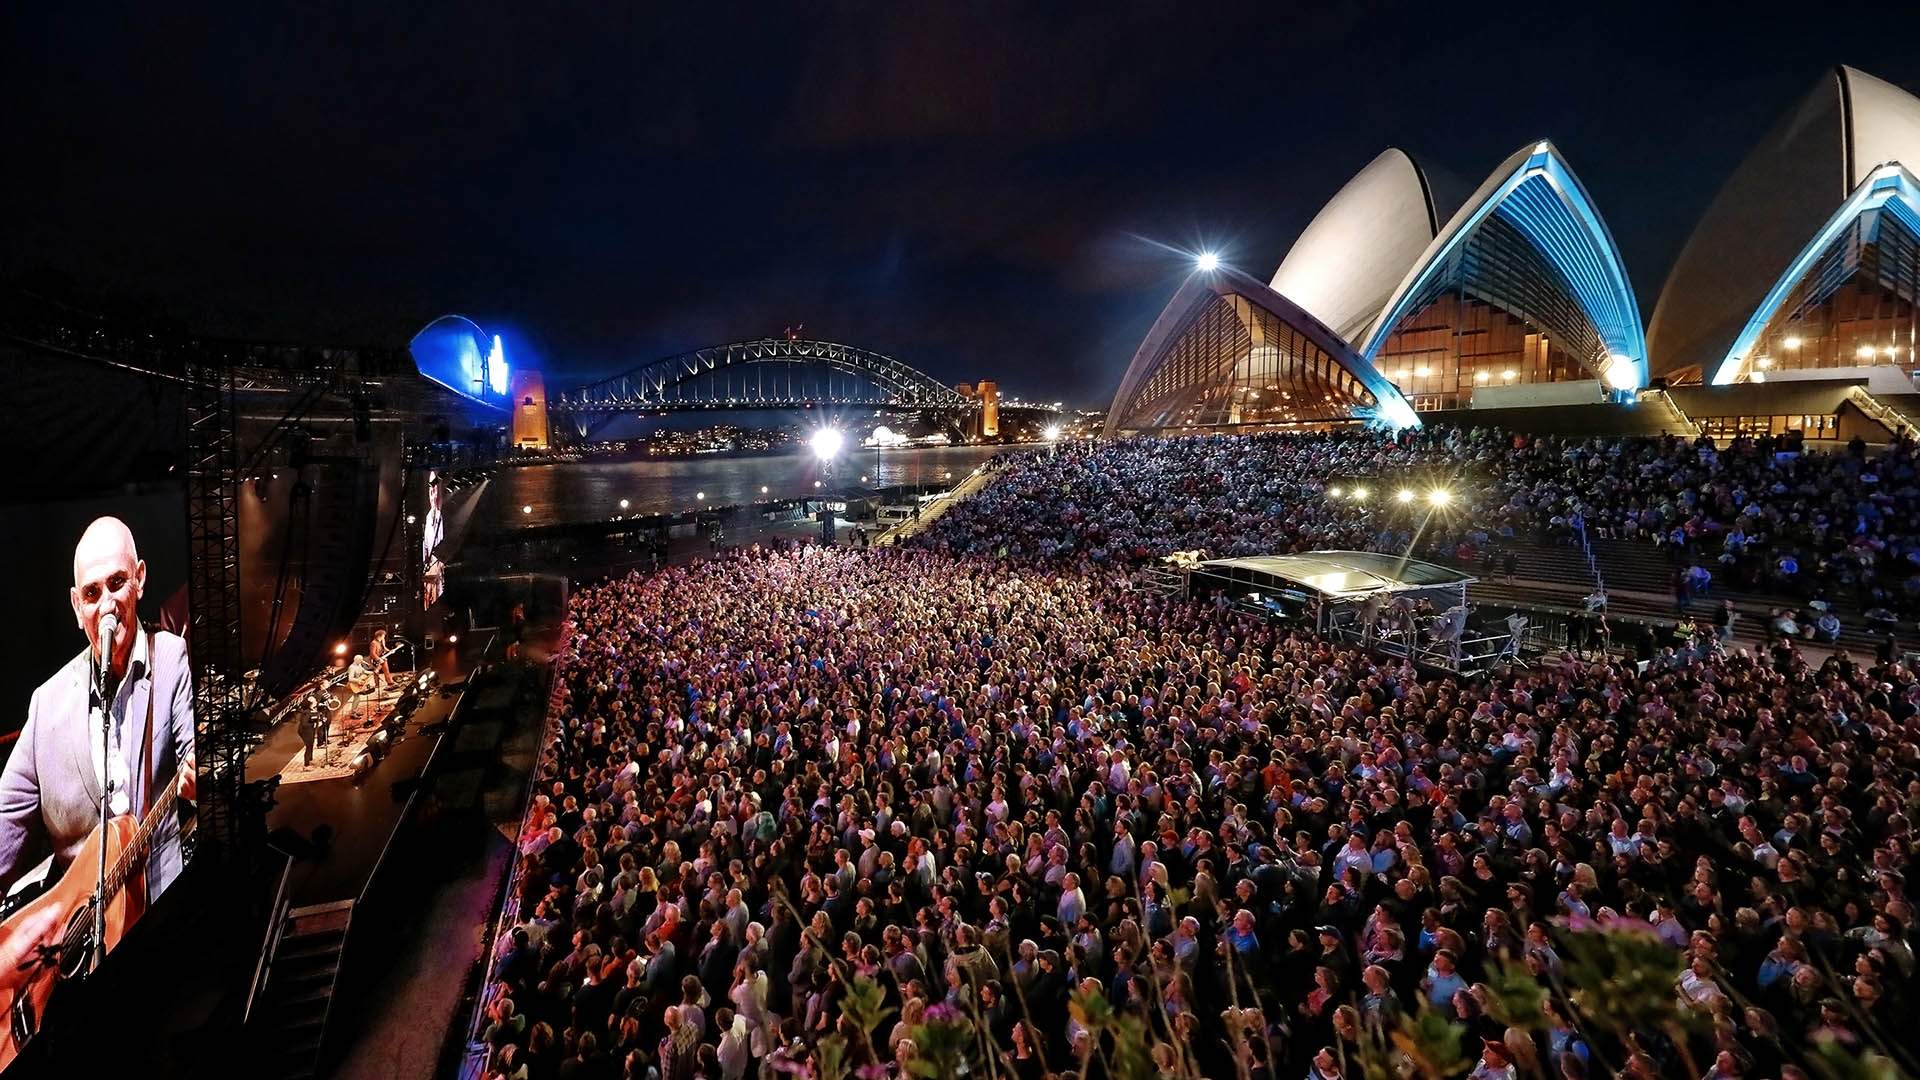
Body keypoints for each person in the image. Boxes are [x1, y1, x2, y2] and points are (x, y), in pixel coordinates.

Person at [0, 517, 197, 909]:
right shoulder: (47, 703)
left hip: (164, 906)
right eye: (92, 593)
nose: (107, 606)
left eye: (117, 583)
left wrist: (198, 779)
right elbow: (4, 824)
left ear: (139, 579)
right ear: (77, 606)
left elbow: (197, 760)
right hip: (77, 948)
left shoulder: (172, 660)